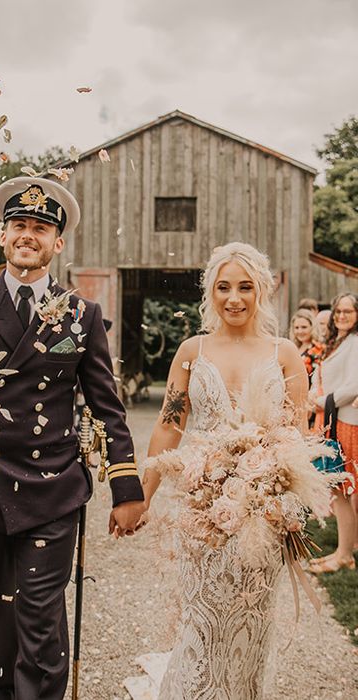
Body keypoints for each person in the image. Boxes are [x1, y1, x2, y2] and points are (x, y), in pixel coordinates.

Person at [0, 177, 145, 700]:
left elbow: (106, 406)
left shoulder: (81, 314)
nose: (29, 235)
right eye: (19, 225)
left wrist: (127, 487)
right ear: (3, 237)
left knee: (41, 620)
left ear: (57, 243)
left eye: (41, 228)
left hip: (53, 489)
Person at [132, 242, 310, 698]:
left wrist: (278, 493)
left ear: (262, 291)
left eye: (245, 287)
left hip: (261, 514)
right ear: (209, 292)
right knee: (201, 621)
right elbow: (170, 427)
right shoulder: (192, 350)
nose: (234, 298)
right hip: (201, 511)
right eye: (223, 287)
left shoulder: (285, 353)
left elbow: (297, 439)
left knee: (250, 626)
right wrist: (142, 495)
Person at [308, 292, 358, 573]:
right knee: (336, 489)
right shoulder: (336, 343)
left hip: (345, 421)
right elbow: (321, 376)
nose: (341, 316)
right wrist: (314, 392)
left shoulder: (355, 343)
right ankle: (343, 551)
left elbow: (354, 385)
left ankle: (344, 555)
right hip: (328, 418)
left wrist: (321, 401)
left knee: (341, 488)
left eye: (347, 312)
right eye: (338, 311)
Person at [288, 308, 324, 383]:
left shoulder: (318, 349)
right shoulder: (293, 347)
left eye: (304, 327)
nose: (300, 331)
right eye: (296, 328)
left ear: (312, 327)